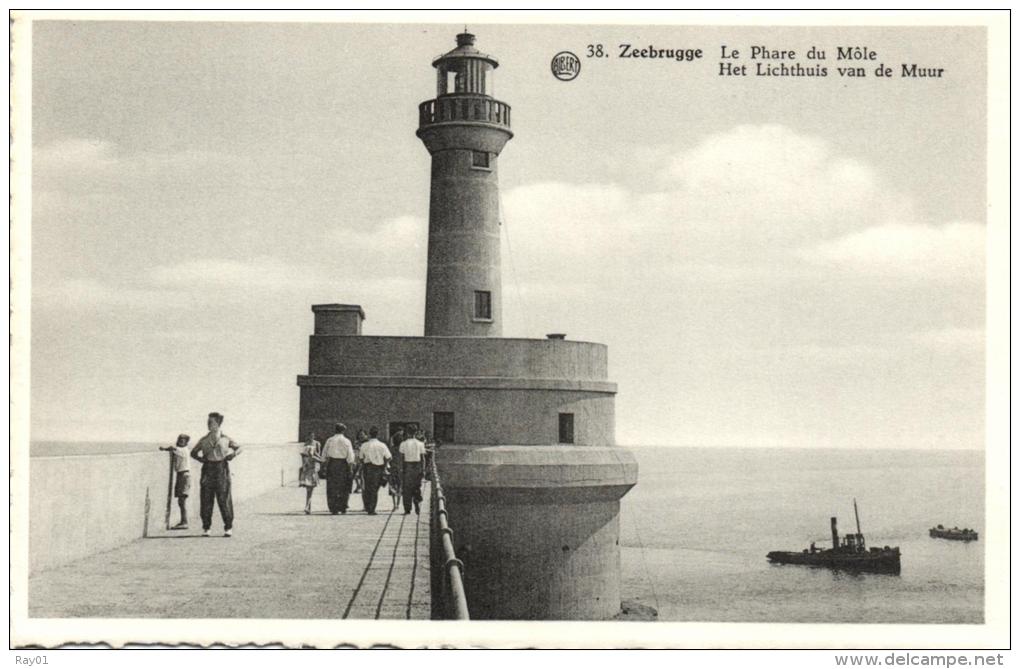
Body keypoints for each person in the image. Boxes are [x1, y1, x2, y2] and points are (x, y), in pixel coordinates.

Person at [190, 412, 241, 537]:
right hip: (208, 469)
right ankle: (206, 527)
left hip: (221, 468)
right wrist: (200, 459)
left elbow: (239, 448)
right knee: (206, 499)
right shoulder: (204, 440)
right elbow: (193, 452)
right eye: (208, 422)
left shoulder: (225, 439)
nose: (208, 424)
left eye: (211, 422)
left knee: (224, 498)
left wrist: (233, 455)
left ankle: (228, 527)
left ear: (218, 424)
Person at [159, 434, 191, 529]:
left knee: (182, 500)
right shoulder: (181, 450)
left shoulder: (183, 450)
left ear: (186, 442)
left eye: (182, 440)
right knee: (181, 501)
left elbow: (172, 448)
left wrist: (164, 449)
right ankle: (183, 521)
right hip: (181, 475)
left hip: (184, 475)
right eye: (179, 439)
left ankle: (184, 522)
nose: (180, 441)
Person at [321, 423, 354, 515]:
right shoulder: (347, 441)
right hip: (343, 465)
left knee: (332, 486)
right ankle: (343, 506)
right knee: (343, 486)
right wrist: (350, 468)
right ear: (343, 431)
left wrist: (323, 465)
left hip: (332, 464)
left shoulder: (330, 440)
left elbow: (324, 454)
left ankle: (333, 508)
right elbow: (350, 456)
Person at [359, 427, 391, 515]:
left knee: (367, 487)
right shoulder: (382, 445)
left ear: (369, 434)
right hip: (378, 468)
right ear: (378, 434)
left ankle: (368, 506)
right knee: (374, 489)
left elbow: (361, 458)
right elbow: (389, 457)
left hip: (367, 467)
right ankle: (371, 508)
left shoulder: (364, 445)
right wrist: (384, 466)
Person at [399, 429, 427, 515]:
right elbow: (423, 458)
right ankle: (417, 502)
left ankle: (407, 509)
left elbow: (401, 458)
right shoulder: (420, 444)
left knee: (407, 488)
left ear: (407, 433)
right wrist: (423, 469)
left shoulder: (403, 444)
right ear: (415, 433)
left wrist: (401, 469)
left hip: (408, 466)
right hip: (417, 466)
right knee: (417, 486)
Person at [298, 432, 323, 514]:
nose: (311, 437)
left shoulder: (317, 444)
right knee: (309, 491)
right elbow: (304, 456)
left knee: (309, 490)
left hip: (311, 469)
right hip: (309, 470)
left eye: (312, 435)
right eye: (310, 435)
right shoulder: (306, 444)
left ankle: (308, 507)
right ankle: (308, 507)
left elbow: (318, 454)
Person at [352, 429, 367, 493]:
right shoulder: (356, 442)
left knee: (361, 475)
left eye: (362, 434)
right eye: (360, 434)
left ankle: (362, 487)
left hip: (363, 460)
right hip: (357, 459)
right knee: (355, 475)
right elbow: (355, 450)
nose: (361, 436)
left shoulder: (367, 443)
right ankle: (358, 486)